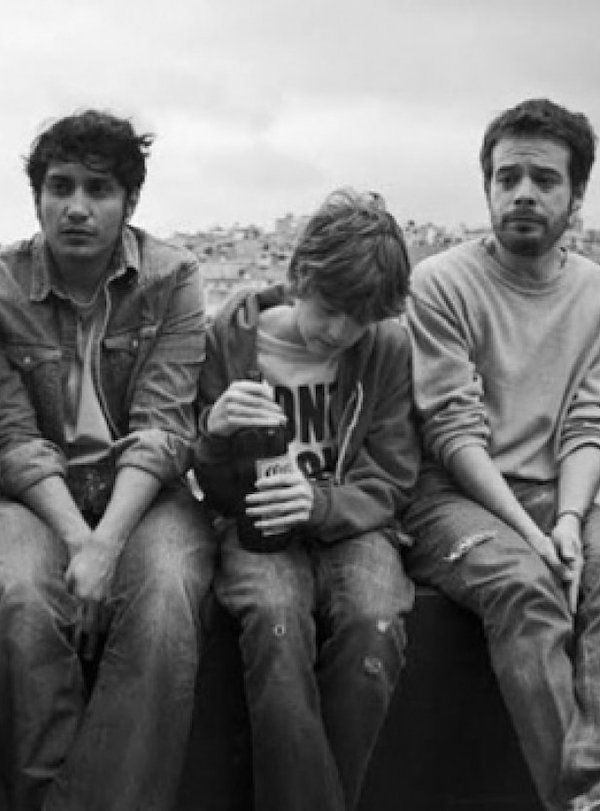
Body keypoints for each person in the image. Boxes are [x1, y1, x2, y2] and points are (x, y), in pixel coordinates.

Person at [0, 110, 215, 811]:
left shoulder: (172, 277)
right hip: (39, 495)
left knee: (168, 599)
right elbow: (14, 438)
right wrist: (78, 541)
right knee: (23, 597)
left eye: (98, 189)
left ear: (130, 202)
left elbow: (163, 425)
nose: (76, 207)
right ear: (37, 197)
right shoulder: (4, 286)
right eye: (60, 186)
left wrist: (108, 542)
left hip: (145, 493)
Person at [193, 189, 419, 811]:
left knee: (374, 625)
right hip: (255, 521)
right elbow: (206, 485)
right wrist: (214, 431)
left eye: (361, 319)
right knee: (274, 620)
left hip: (350, 523)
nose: (340, 332)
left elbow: (392, 477)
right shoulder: (233, 336)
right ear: (299, 277)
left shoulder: (386, 347)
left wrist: (319, 503)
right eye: (332, 309)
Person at [404, 98, 600, 811]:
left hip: (558, 491)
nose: (522, 193)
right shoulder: (441, 281)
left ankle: (588, 777)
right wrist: (532, 533)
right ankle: (576, 798)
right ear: (486, 185)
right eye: (506, 177)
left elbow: (587, 423)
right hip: (454, 498)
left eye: (544, 180)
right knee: (526, 587)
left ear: (576, 194)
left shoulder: (594, 291)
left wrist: (569, 521)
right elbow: (453, 432)